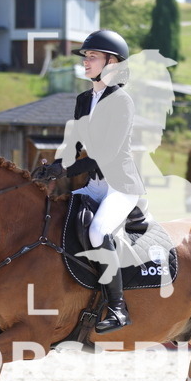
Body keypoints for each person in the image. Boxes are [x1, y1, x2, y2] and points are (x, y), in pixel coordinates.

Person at [32, 29, 142, 334]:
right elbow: (73, 144)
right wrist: (54, 166)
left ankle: (118, 308)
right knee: (56, 218)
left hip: (120, 186)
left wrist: (66, 172)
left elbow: (107, 153)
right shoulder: (84, 100)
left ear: (112, 62)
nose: (86, 61)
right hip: (94, 184)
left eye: (92, 56)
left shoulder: (121, 102)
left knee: (96, 231)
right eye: (86, 56)